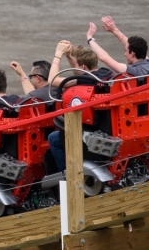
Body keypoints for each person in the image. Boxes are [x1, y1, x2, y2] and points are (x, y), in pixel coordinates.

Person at [44, 45, 114, 174]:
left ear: (83, 67)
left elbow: (52, 81)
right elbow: (79, 71)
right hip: (109, 126)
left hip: (91, 131)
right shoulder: (107, 73)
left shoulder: (84, 80)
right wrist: (69, 56)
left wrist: (58, 54)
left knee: (54, 138)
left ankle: (66, 174)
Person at [85, 16, 149, 79]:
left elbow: (104, 58)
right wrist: (114, 30)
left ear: (133, 54)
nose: (124, 54)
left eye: (126, 51)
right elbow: (133, 45)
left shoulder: (134, 71)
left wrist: (90, 38)